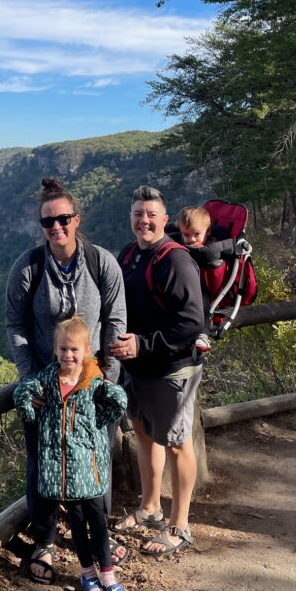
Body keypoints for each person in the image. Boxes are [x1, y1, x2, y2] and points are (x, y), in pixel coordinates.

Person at [5, 177, 127, 582]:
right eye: (48, 222)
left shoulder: (101, 262)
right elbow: (16, 325)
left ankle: (99, 539)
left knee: (96, 459)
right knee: (43, 463)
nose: (56, 227)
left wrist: (105, 380)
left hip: (91, 384)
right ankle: (46, 542)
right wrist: (31, 382)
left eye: (64, 219)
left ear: (77, 219)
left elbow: (115, 320)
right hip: (47, 388)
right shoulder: (29, 267)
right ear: (41, 226)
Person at [109, 185, 206, 557]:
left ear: (165, 220)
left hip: (172, 369)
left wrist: (143, 344)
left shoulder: (176, 260)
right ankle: (150, 507)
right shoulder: (130, 254)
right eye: (137, 213)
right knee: (145, 435)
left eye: (151, 214)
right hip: (139, 368)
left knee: (178, 443)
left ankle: (180, 524)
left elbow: (191, 323)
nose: (143, 220)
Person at [13, 316, 129, 591]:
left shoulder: (93, 380)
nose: (68, 355)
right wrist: (29, 410)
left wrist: (94, 426)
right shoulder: (48, 380)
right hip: (65, 472)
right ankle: (87, 573)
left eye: (75, 350)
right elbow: (23, 393)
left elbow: (118, 401)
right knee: (77, 525)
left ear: (87, 350)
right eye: (63, 349)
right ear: (55, 349)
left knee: (99, 523)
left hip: (88, 467)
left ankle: (108, 576)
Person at [173, 205, 224, 356]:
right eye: (187, 235)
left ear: (207, 232)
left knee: (202, 298)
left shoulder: (211, 244)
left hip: (204, 286)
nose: (192, 240)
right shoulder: (181, 240)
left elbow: (212, 254)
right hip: (182, 284)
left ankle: (203, 335)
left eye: (197, 234)